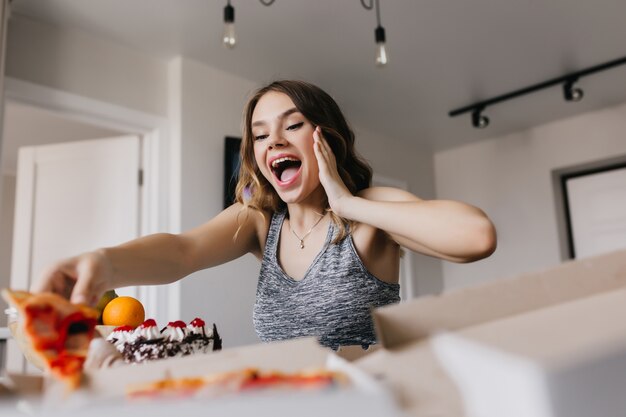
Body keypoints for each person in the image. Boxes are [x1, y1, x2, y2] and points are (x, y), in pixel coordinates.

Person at [33, 80, 497, 349]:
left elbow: (476, 237)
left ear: (327, 138)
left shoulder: (371, 212)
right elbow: (183, 251)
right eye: (260, 135)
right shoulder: (259, 221)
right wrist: (104, 262)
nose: (273, 141)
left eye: (292, 125)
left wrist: (348, 204)